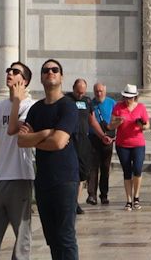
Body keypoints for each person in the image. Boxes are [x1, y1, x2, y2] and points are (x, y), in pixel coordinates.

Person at [19, 58, 80, 260]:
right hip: (44, 179)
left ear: (61, 76)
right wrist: (46, 132)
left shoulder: (68, 106)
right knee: (51, 237)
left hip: (65, 179)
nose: (50, 73)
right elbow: (21, 140)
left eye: (55, 70)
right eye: (46, 70)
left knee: (65, 236)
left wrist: (36, 138)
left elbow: (59, 142)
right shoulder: (36, 109)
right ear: (41, 77)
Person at [0, 60, 35, 260]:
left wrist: (17, 101)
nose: (10, 73)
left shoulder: (32, 107)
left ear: (25, 80)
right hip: (0, 178)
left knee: (22, 235)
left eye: (15, 71)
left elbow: (14, 130)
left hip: (21, 176)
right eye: (8, 71)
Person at [111, 83, 150, 208]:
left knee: (137, 169)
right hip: (122, 144)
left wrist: (141, 126)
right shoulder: (118, 107)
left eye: (131, 97)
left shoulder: (141, 107)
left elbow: (147, 125)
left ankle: (136, 196)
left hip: (138, 143)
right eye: (127, 97)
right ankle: (128, 200)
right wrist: (118, 122)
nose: (129, 100)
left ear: (135, 97)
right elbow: (111, 125)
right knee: (126, 171)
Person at [88, 81, 115, 205]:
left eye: (101, 91)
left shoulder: (112, 103)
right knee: (93, 168)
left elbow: (116, 119)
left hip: (108, 138)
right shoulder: (90, 103)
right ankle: (91, 195)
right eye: (96, 91)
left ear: (105, 90)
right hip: (93, 138)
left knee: (105, 168)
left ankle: (104, 194)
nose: (99, 93)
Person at [70, 77, 92, 211]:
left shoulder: (87, 101)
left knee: (82, 173)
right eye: (78, 92)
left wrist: (102, 134)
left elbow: (92, 120)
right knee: (72, 172)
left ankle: (75, 202)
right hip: (70, 140)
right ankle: (72, 203)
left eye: (82, 92)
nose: (80, 95)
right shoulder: (66, 100)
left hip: (83, 140)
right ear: (73, 89)